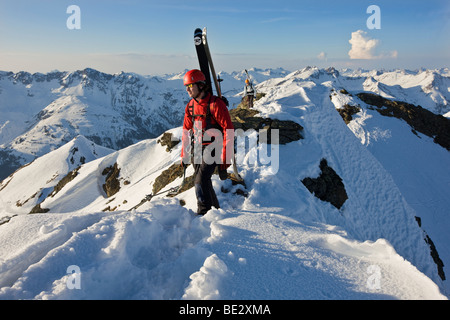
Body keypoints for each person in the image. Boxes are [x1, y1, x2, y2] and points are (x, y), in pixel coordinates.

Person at [181, 69, 234, 215]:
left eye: (190, 86)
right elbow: (186, 131)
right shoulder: (190, 106)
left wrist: (225, 159)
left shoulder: (215, 104)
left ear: (201, 85)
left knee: (200, 180)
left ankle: (203, 213)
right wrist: (184, 155)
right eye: (187, 86)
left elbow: (228, 130)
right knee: (204, 181)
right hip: (197, 148)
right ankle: (215, 210)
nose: (187, 89)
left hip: (214, 147)